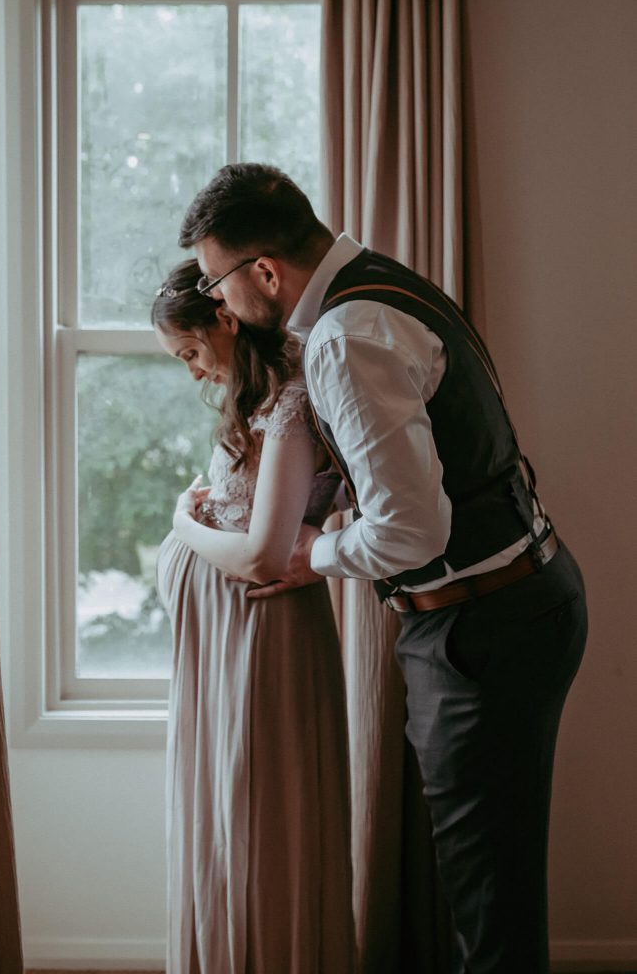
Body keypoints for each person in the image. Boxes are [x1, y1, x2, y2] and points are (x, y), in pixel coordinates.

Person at [177, 163, 589, 974]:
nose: (215, 302)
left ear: (264, 270)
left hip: (480, 626)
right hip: (517, 597)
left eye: (215, 281)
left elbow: (411, 528)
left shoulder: (345, 334)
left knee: (489, 903)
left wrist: (313, 554)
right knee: (491, 883)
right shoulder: (382, 283)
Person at [152, 259, 356, 974]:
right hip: (220, 644)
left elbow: (261, 557)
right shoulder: (260, 401)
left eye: (192, 352)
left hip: (262, 638)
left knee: (264, 816)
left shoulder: (292, 404)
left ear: (225, 320)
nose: (194, 372)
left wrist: (181, 521)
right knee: (223, 815)